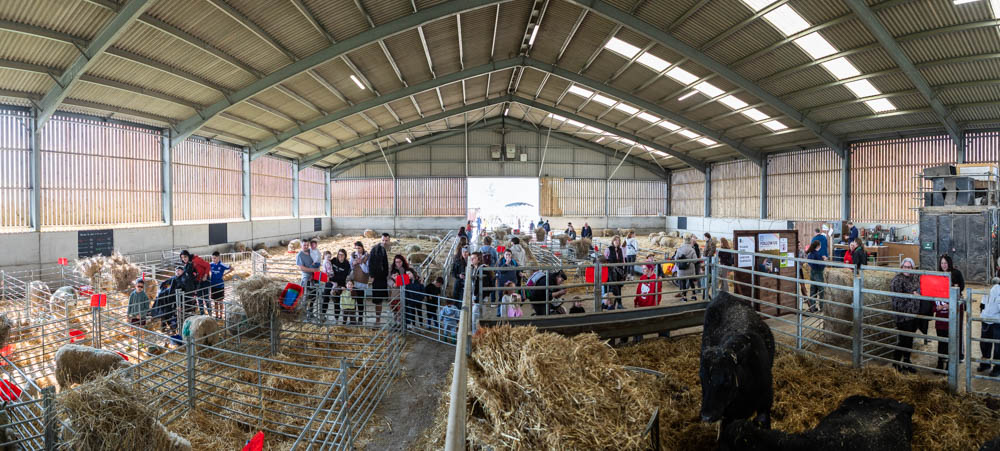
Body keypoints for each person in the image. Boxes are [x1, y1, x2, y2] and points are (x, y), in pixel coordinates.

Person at [890, 258, 920, 373]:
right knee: (903, 340)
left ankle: (907, 362)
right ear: (902, 267)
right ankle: (896, 364)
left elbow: (919, 289)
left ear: (912, 268)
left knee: (909, 339)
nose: (907, 269)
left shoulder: (915, 278)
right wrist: (912, 295)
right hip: (902, 315)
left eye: (910, 267)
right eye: (905, 267)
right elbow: (896, 298)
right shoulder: (897, 280)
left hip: (913, 314)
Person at [935, 254, 965, 370]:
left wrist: (953, 298)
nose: (944, 265)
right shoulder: (938, 274)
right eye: (942, 263)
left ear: (950, 263)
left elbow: (961, 286)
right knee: (943, 334)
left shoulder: (956, 273)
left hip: (955, 305)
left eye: (946, 263)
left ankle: (958, 356)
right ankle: (943, 359)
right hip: (942, 307)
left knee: (957, 331)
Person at [391, 254, 423, 327]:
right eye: (396, 262)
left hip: (407, 291)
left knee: (405, 309)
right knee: (395, 309)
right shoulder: (392, 269)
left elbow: (415, 275)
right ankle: (396, 324)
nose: (398, 263)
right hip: (396, 291)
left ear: (403, 261)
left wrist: (419, 278)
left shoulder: (407, 268)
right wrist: (393, 284)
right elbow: (388, 279)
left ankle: (404, 324)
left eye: (400, 262)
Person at [632, 265, 662, 342]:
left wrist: (656, 304)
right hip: (641, 304)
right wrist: (636, 302)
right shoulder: (642, 278)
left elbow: (658, 294)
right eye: (643, 269)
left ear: (650, 269)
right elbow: (638, 291)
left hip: (651, 306)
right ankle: (638, 340)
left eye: (644, 269)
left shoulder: (656, 279)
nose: (643, 270)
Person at [979, 278, 1000, 377]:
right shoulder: (988, 288)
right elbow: (982, 303)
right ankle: (985, 363)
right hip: (986, 318)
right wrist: (982, 313)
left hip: (997, 320)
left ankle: (997, 367)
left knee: (998, 346)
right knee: (984, 343)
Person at [369, 233, 392, 325]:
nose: (384, 242)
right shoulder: (375, 249)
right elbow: (370, 263)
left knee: (394, 299)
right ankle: (378, 320)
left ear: (389, 240)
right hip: (380, 278)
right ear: (380, 239)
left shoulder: (392, 250)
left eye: (386, 240)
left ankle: (395, 320)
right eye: (383, 240)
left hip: (393, 277)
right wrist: (372, 276)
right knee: (379, 300)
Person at [326, 250, 351, 324]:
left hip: (340, 285)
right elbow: (327, 264)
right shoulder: (334, 260)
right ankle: (322, 315)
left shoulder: (347, 264)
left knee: (337, 302)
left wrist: (330, 278)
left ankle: (338, 319)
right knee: (325, 298)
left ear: (345, 256)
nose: (340, 256)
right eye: (339, 254)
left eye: (342, 255)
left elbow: (342, 277)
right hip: (330, 282)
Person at [296, 243, 321, 320]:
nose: (306, 246)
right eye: (304, 245)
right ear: (301, 246)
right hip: (306, 279)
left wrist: (316, 269)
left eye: (307, 245)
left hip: (314, 278)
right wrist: (312, 270)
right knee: (305, 297)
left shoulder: (312, 252)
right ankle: (303, 315)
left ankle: (310, 313)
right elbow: (302, 268)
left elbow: (318, 259)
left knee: (313, 297)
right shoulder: (299, 255)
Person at [349, 241, 370, 323]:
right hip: (354, 280)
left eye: (359, 248)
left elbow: (367, 270)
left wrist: (361, 262)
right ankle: (353, 319)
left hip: (362, 280)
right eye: (356, 248)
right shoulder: (353, 255)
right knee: (352, 300)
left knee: (360, 301)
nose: (358, 250)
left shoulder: (367, 256)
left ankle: (360, 318)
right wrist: (353, 263)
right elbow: (350, 267)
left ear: (362, 247)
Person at [208, 251, 232, 320]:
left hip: (220, 285)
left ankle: (221, 315)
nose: (213, 260)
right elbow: (207, 269)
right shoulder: (211, 264)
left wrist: (224, 275)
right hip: (213, 285)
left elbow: (232, 268)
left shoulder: (222, 264)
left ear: (218, 257)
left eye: (214, 258)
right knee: (215, 301)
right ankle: (216, 315)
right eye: (212, 258)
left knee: (220, 301)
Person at [805, 240, 827, 313]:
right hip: (818, 273)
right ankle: (822, 307)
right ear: (818, 246)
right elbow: (821, 266)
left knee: (813, 291)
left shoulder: (811, 253)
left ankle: (812, 308)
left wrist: (821, 258)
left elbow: (809, 262)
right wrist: (824, 260)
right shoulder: (817, 254)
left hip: (812, 273)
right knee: (822, 291)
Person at [674, 236, 698, 302]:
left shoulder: (680, 249)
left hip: (682, 270)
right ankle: (694, 296)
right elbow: (695, 260)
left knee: (683, 282)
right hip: (690, 269)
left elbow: (675, 259)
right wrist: (690, 261)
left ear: (683, 241)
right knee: (691, 282)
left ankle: (684, 298)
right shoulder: (692, 249)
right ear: (690, 241)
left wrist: (679, 264)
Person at [604, 236, 626, 308]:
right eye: (615, 240)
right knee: (612, 288)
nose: (617, 241)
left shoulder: (621, 250)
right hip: (611, 272)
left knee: (618, 287)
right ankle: (609, 304)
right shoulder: (608, 249)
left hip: (619, 272)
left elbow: (623, 260)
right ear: (612, 241)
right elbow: (605, 260)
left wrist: (623, 271)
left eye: (618, 240)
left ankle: (619, 304)